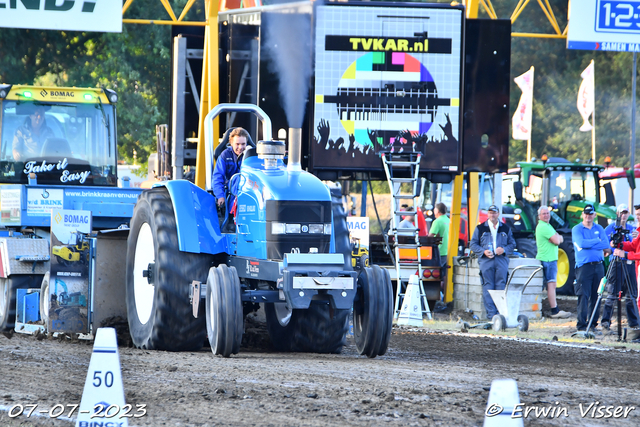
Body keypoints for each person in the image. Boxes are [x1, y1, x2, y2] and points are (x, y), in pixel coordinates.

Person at [469, 204, 516, 320]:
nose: (492, 215)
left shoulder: (506, 228)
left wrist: (504, 250)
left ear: (498, 214)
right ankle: (491, 316)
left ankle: (500, 316)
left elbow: (513, 244)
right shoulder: (480, 228)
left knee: (500, 287)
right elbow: (473, 244)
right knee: (488, 287)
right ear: (488, 214)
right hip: (486, 261)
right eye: (490, 212)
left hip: (501, 261)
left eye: (494, 213)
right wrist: (483, 251)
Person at [572, 204, 611, 333]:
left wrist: (593, 244)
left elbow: (606, 245)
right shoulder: (577, 229)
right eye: (586, 214)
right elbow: (581, 244)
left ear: (594, 215)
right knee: (583, 295)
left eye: (591, 214)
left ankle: (593, 324)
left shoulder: (599, 228)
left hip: (598, 266)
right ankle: (582, 325)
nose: (588, 216)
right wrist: (597, 241)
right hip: (584, 267)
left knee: (597, 295)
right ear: (583, 215)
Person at [606, 204, 640, 339]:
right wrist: (619, 245)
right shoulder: (637, 229)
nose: (638, 217)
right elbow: (633, 245)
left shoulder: (634, 229)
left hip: (634, 264)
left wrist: (625, 255)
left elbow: (636, 252)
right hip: (633, 266)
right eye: (637, 214)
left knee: (634, 297)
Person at [535, 206, 571, 319]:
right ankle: (554, 310)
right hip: (548, 259)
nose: (546, 215)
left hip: (547, 258)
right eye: (544, 214)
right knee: (551, 285)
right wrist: (557, 237)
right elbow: (557, 240)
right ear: (539, 216)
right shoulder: (544, 227)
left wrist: (557, 237)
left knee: (546, 285)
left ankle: (541, 308)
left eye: (547, 213)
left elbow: (558, 239)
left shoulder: (547, 226)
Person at [213, 127, 249, 209]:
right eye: (237, 144)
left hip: (249, 187)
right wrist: (220, 196)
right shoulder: (225, 156)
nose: (240, 147)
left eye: (243, 144)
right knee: (237, 179)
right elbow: (217, 178)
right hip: (231, 189)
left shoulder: (251, 156)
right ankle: (234, 210)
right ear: (231, 143)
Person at [428, 202, 450, 290]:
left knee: (437, 275)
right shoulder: (449, 220)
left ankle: (438, 294)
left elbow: (430, 237)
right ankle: (444, 295)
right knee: (445, 274)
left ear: (436, 210)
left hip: (440, 251)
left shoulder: (437, 221)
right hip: (449, 251)